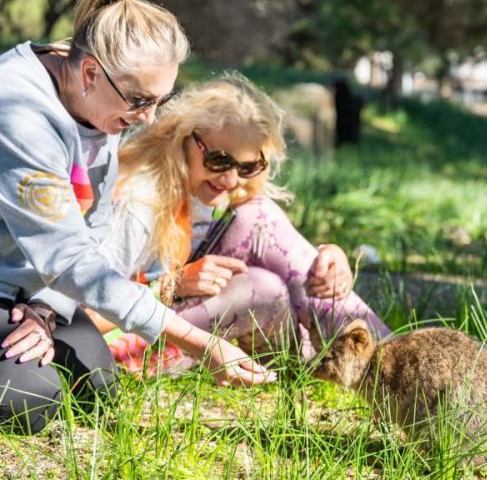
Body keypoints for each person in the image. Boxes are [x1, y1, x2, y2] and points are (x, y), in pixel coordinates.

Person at [0, 0, 273, 435]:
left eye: (160, 100)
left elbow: (91, 228)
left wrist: (45, 309)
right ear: (90, 72)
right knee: (28, 400)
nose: (149, 118)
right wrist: (201, 343)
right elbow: (68, 258)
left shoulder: (99, 108)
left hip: (1, 273)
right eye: (141, 100)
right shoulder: (9, 110)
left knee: (95, 389)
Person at [86, 74, 390, 375]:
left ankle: (393, 359)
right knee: (262, 289)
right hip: (115, 346)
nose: (231, 179)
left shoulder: (220, 191)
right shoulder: (140, 202)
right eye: (218, 160)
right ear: (183, 137)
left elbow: (275, 241)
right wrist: (171, 286)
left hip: (187, 320)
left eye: (247, 166)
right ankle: (362, 368)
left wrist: (328, 260)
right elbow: (84, 311)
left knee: (259, 216)